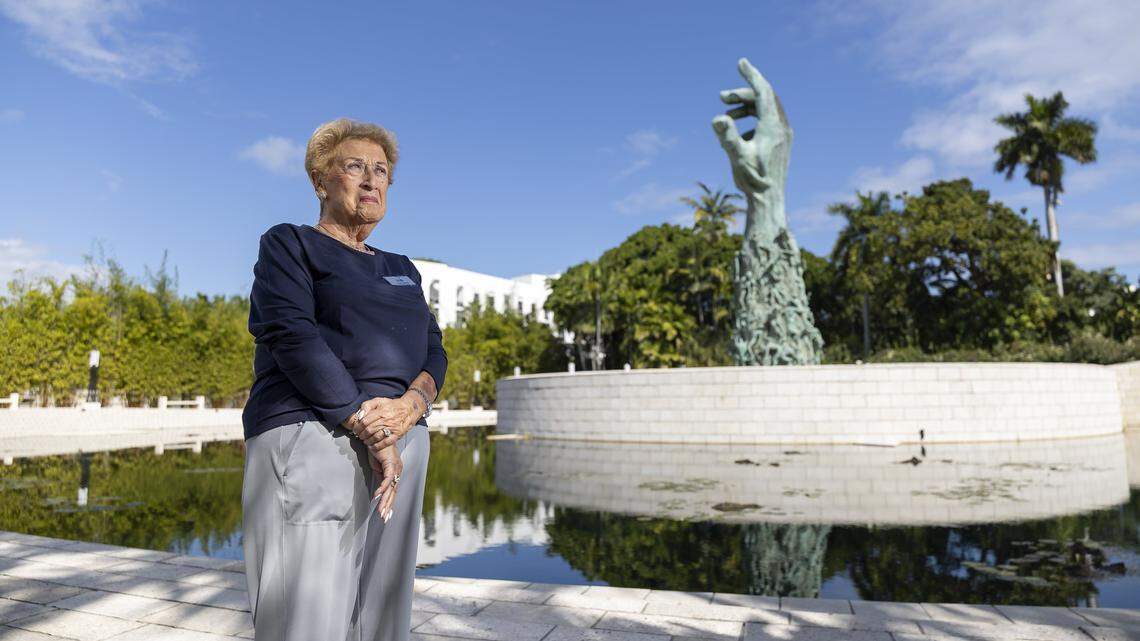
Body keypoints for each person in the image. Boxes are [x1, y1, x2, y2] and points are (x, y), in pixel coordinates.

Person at [240, 117, 447, 640]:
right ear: (320, 180)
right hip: (315, 432)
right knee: (306, 618)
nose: (371, 180)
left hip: (403, 440)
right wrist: (363, 420)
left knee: (383, 614)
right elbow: (291, 334)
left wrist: (411, 407)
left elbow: (434, 349)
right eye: (355, 166)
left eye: (381, 171)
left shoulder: (403, 267)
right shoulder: (290, 244)